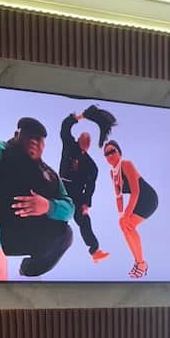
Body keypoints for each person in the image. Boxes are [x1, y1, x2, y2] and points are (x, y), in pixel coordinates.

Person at [0, 117, 74, 280]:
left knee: (65, 234)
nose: (34, 141)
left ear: (44, 145)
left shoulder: (50, 175)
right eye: (29, 135)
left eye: (38, 138)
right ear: (16, 135)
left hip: (20, 233)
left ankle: (28, 270)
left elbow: (69, 208)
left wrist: (48, 206)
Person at [59, 111, 109, 263]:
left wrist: (86, 204)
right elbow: (65, 127)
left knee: (84, 219)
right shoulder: (69, 145)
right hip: (61, 186)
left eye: (88, 141)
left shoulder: (91, 166)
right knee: (56, 215)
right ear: (78, 139)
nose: (85, 143)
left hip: (77, 194)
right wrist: (80, 116)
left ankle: (95, 250)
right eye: (83, 139)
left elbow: (90, 186)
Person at [103, 141, 158, 278]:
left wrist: (127, 215)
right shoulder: (113, 173)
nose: (110, 155)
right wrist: (121, 216)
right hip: (137, 201)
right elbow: (119, 197)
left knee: (129, 224)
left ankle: (141, 263)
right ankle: (138, 262)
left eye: (112, 151)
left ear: (119, 152)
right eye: (107, 154)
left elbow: (136, 191)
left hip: (148, 199)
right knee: (124, 225)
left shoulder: (126, 164)